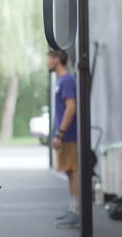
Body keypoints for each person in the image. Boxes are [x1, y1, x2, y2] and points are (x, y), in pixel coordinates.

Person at [47, 50, 79, 228]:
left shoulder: (67, 80)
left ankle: (77, 213)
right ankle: (73, 210)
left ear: (57, 59)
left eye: (49, 58)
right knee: (70, 172)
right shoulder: (61, 81)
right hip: (65, 136)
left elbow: (71, 108)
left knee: (74, 171)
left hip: (70, 137)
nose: (47, 62)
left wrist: (60, 134)